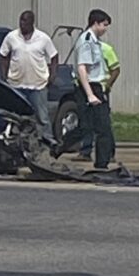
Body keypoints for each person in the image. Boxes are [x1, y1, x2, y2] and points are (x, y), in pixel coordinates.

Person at [57, 9, 113, 169]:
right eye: (104, 25)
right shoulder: (87, 41)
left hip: (93, 87)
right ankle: (102, 165)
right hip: (89, 88)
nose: (105, 29)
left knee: (86, 127)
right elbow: (82, 69)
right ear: (95, 23)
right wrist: (90, 95)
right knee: (102, 128)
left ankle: (57, 148)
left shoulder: (94, 41)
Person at [0, 10, 58, 143]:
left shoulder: (43, 38)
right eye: (21, 20)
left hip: (38, 84)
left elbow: (54, 56)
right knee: (15, 116)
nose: (22, 24)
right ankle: (18, 142)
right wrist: (3, 75)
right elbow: (3, 55)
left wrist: (53, 75)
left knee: (42, 117)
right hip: (16, 84)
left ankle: (47, 142)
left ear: (32, 22)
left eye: (25, 21)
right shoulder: (11, 37)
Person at [73, 40, 121, 162]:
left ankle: (109, 153)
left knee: (103, 123)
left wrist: (107, 86)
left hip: (99, 89)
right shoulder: (81, 49)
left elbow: (115, 70)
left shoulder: (105, 49)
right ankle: (85, 151)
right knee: (85, 121)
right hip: (84, 89)